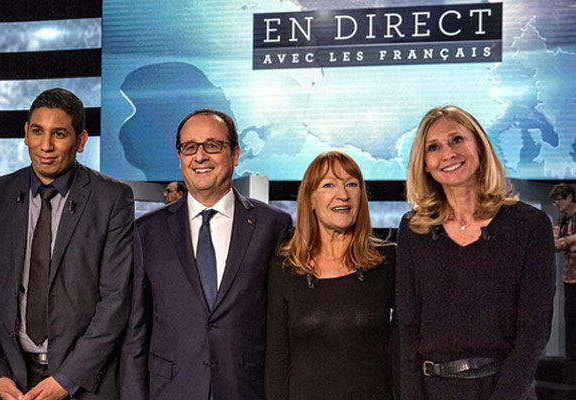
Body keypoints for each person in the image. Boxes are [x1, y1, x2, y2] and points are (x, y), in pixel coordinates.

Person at [0, 88, 134, 400]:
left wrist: (67, 378)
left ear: (81, 141)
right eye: (38, 131)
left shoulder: (112, 199)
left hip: (81, 383)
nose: (46, 145)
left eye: (59, 134)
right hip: (8, 383)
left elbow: (115, 302)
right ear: (26, 134)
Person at [120, 109, 292, 400]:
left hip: (247, 389)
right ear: (180, 157)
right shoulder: (147, 231)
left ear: (235, 154)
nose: (200, 156)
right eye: (190, 147)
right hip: (171, 390)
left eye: (212, 145)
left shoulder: (273, 225)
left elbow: (282, 325)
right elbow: (135, 332)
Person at [396, 105, 555, 399]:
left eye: (457, 139)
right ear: (425, 164)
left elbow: (534, 331)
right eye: (434, 147)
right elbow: (405, 331)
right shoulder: (412, 230)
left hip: (506, 391)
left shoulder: (530, 226)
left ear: (479, 146)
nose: (448, 153)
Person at [265, 151, 396, 400]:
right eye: (329, 185)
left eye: (351, 184)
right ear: (310, 199)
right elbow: (277, 359)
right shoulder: (286, 267)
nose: (343, 194)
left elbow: (404, 350)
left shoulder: (387, 262)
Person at [550, 183, 576, 359]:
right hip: (570, 276)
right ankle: (572, 358)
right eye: (554, 202)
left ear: (569, 197)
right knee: (571, 318)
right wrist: (572, 239)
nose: (557, 205)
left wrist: (565, 242)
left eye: (558, 200)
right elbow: (553, 244)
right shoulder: (561, 221)